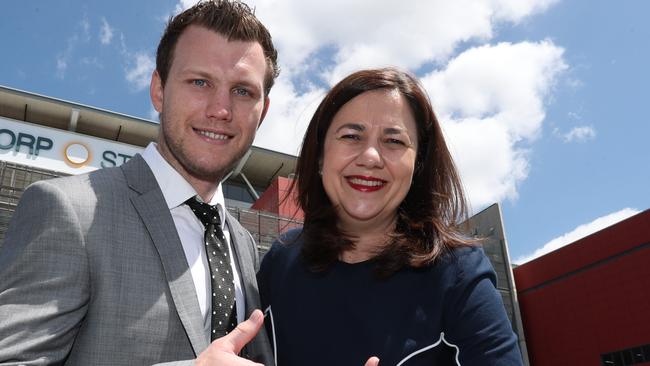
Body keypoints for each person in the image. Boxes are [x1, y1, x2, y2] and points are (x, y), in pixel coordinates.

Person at [0, 1, 279, 365]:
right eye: (200, 82)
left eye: (243, 91)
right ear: (159, 90)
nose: (221, 109)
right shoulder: (68, 210)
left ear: (264, 111)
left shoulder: (243, 244)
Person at [258, 68, 524, 366]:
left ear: (418, 163)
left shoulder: (458, 272)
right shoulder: (279, 263)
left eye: (394, 141)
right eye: (351, 136)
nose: (370, 157)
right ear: (320, 155)